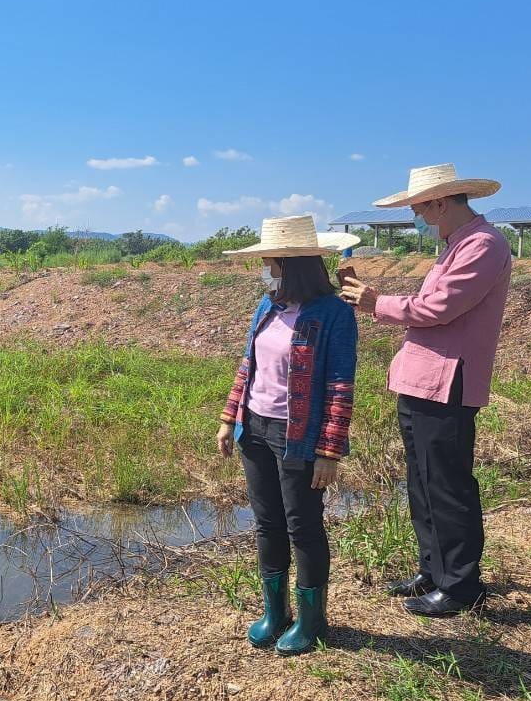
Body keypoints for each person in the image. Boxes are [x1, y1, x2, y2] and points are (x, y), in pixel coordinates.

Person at [340, 163, 511, 617]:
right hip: (421, 379)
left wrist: (377, 302)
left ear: (439, 202)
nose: (416, 213)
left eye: (418, 205)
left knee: (448, 483)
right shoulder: (454, 246)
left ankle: (460, 586)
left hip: (447, 382)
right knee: (422, 481)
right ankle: (434, 571)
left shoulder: (483, 245)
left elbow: (439, 307)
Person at [217, 215, 359, 656]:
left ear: (288, 263)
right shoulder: (269, 306)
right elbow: (248, 365)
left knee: (303, 526)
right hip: (255, 428)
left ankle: (312, 620)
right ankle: (275, 612)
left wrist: (329, 451)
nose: (263, 268)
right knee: (268, 524)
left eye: (268, 261)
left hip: (298, 437)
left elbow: (340, 385)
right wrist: (229, 418)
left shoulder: (334, 315)